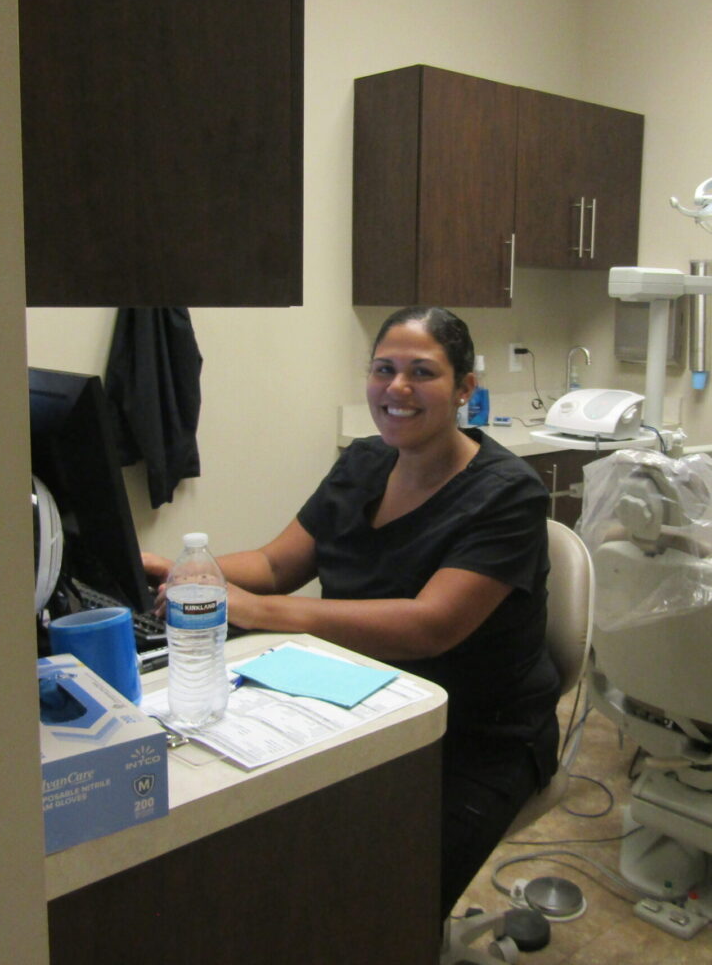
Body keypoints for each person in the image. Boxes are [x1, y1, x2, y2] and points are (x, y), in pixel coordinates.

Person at [144, 305, 560, 918]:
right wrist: (186, 571)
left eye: (422, 372)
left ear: (465, 387)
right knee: (277, 852)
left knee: (379, 904)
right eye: (383, 369)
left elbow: (429, 626)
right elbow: (275, 564)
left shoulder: (508, 494)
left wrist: (260, 611)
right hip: (356, 702)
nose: (397, 389)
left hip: (478, 736)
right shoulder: (363, 462)